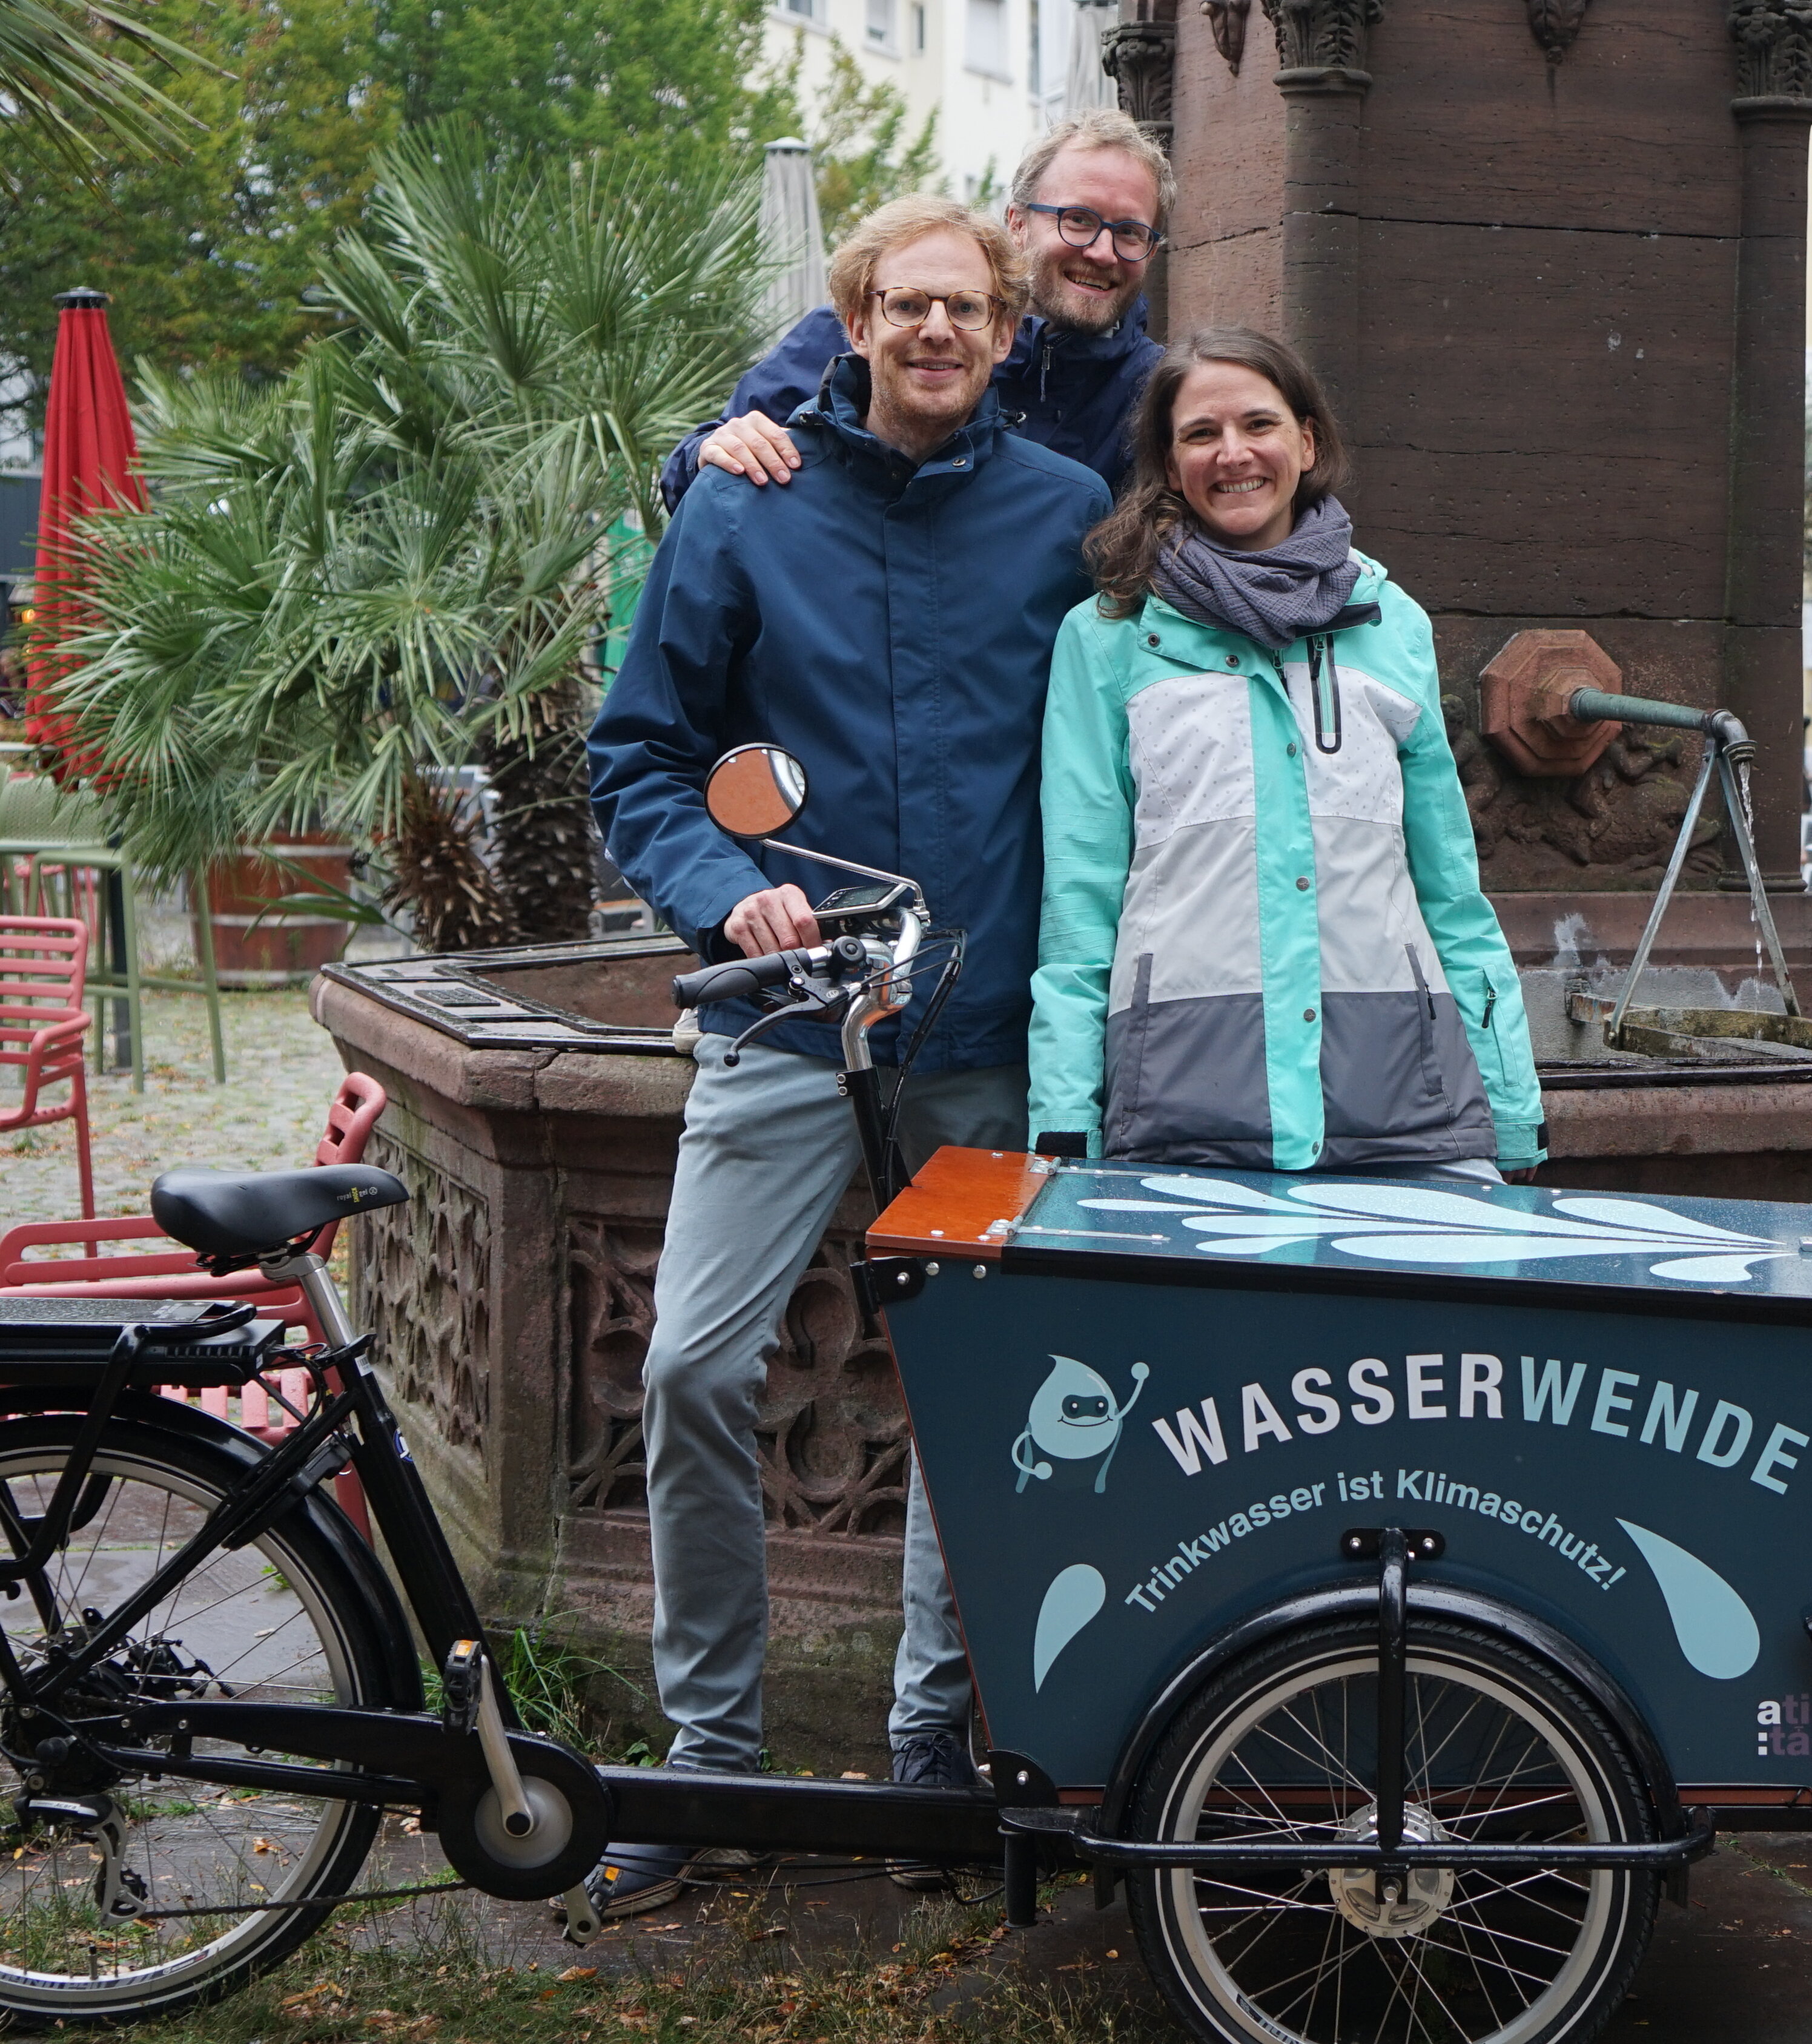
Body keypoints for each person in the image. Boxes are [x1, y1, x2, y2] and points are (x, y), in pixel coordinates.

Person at [586, 192, 1108, 1916]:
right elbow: (643, 757)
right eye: (905, 308)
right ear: (856, 324)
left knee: (977, 1401)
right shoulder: (747, 503)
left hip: (977, 1032)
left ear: (1008, 335)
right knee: (687, 1371)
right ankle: (703, 1764)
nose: (938, 334)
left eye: (968, 310)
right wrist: (721, 892)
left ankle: (928, 1757)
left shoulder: (1063, 516)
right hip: (787, 1024)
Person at [1028, 328, 1545, 1179]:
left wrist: (1514, 1111)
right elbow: (1078, 910)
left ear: (1306, 442)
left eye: (1258, 425)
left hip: (1403, 1104)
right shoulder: (1108, 640)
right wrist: (1062, 1124)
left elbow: (1452, 894)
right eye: (1200, 434)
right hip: (1183, 1103)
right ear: (1168, 460)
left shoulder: (1392, 624)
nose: (1233, 454)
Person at [659, 109, 1170, 515]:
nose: (1103, 252)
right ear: (1017, 223)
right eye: (1077, 220)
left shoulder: (1154, 391)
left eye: (1130, 232)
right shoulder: (854, 334)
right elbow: (697, 477)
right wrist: (712, 451)